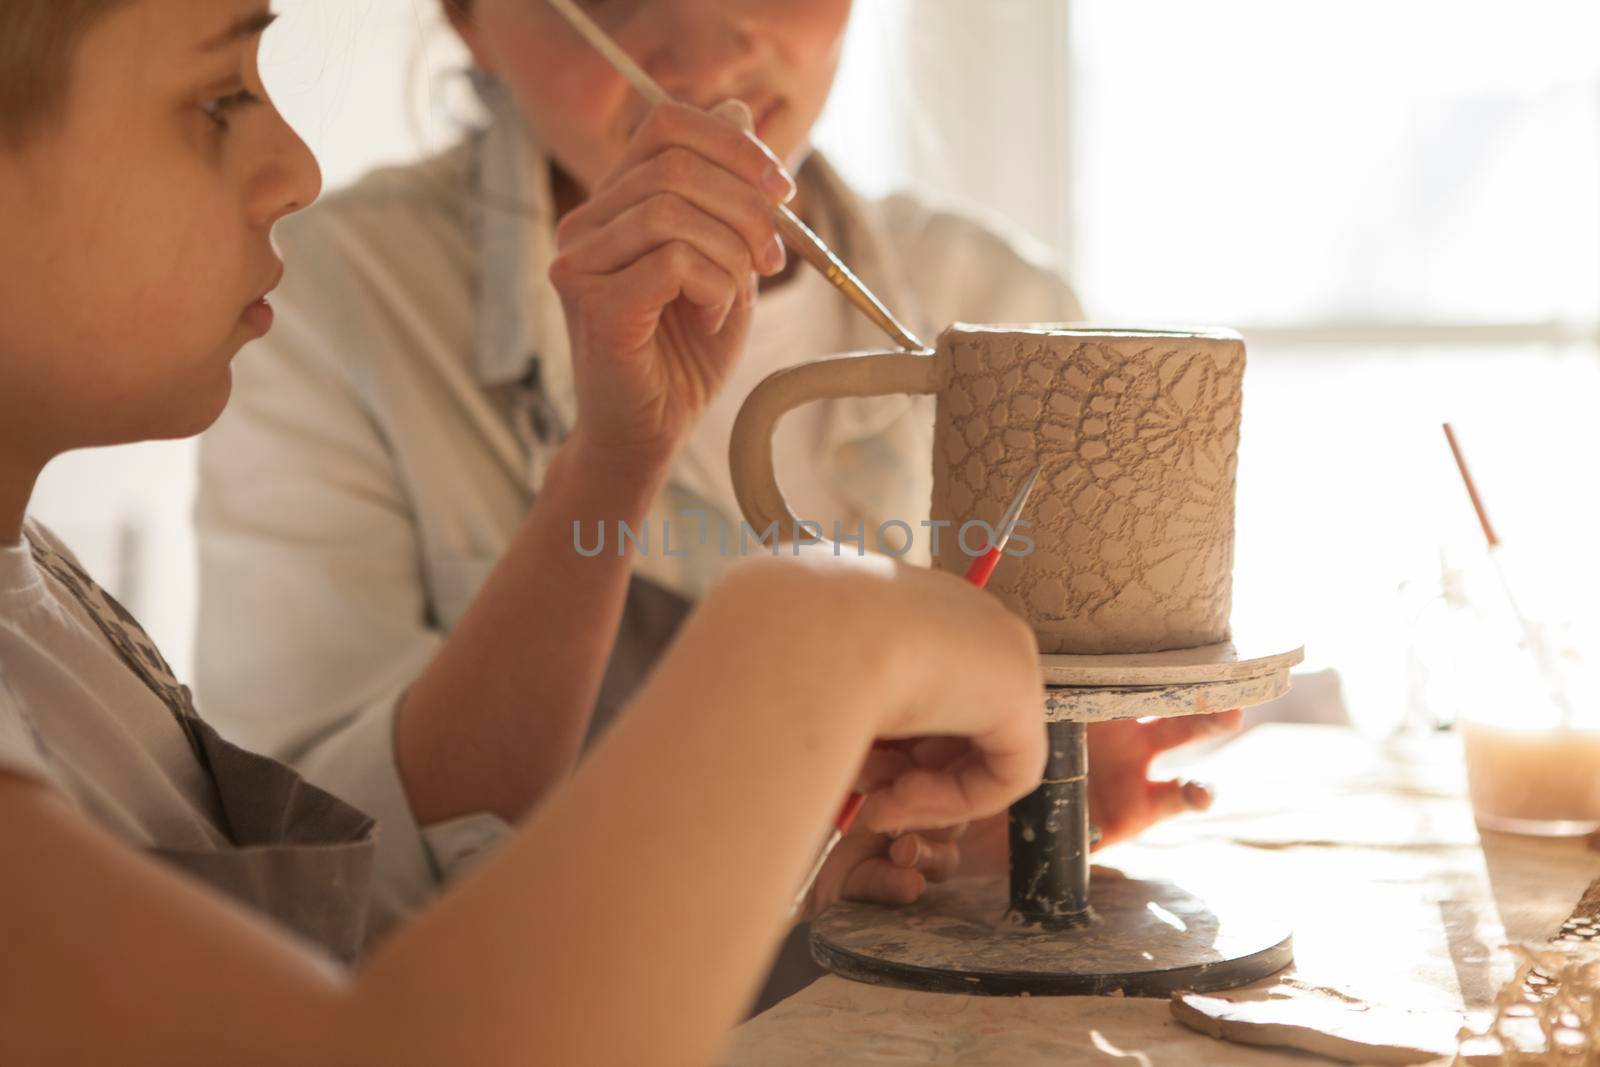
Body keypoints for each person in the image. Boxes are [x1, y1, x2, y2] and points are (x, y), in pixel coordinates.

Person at [0, 2, 1046, 1062]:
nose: (299, 169)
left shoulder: (45, 598)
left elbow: (307, 929)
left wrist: (795, 875)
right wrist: (818, 630)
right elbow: (379, 1001)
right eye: (221, 96)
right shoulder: (345, 298)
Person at [194, 0, 1238, 974]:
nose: (704, 57)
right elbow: (324, 873)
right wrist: (610, 464)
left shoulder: (999, 300)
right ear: (469, 17)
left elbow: (1002, 825)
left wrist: (1030, 806)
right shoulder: (326, 300)